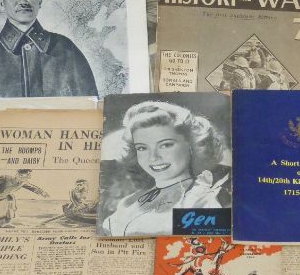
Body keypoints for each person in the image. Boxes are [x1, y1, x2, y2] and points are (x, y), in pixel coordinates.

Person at [99, 101, 231, 236]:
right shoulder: (131, 200)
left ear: (192, 145)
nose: (153, 157)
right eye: (142, 148)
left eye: (166, 145)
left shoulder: (199, 199)